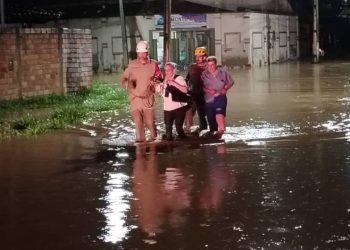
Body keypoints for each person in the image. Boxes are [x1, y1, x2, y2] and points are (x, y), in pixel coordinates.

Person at [120, 41, 162, 143]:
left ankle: (154, 144)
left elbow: (160, 77)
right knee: (138, 123)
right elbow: (123, 79)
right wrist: (128, 84)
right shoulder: (132, 65)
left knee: (150, 123)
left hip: (148, 99)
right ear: (137, 53)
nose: (142, 55)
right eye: (140, 53)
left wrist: (156, 81)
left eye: (144, 53)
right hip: (135, 99)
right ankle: (140, 145)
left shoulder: (154, 65)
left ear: (147, 53)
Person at [201, 56, 234, 137]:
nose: (210, 67)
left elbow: (231, 82)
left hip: (220, 98)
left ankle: (223, 134)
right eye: (208, 65)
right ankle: (215, 140)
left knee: (219, 115)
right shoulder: (203, 75)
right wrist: (209, 91)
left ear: (216, 65)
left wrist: (225, 88)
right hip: (208, 100)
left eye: (212, 65)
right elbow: (200, 87)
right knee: (212, 125)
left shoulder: (223, 72)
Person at [156, 62, 189, 141]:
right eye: (165, 70)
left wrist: (173, 83)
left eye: (169, 70)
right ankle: (169, 148)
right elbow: (159, 92)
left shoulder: (179, 78)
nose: (167, 72)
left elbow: (185, 90)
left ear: (173, 70)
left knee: (179, 130)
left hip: (179, 108)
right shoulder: (163, 81)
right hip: (167, 109)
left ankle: (185, 146)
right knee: (168, 134)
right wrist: (162, 84)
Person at [184, 47, 208, 133]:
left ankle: (204, 131)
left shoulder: (209, 67)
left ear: (205, 56)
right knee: (188, 112)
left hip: (203, 95)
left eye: (200, 56)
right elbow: (187, 79)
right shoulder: (192, 67)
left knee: (202, 115)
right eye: (197, 56)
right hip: (192, 94)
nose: (198, 58)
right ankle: (188, 130)